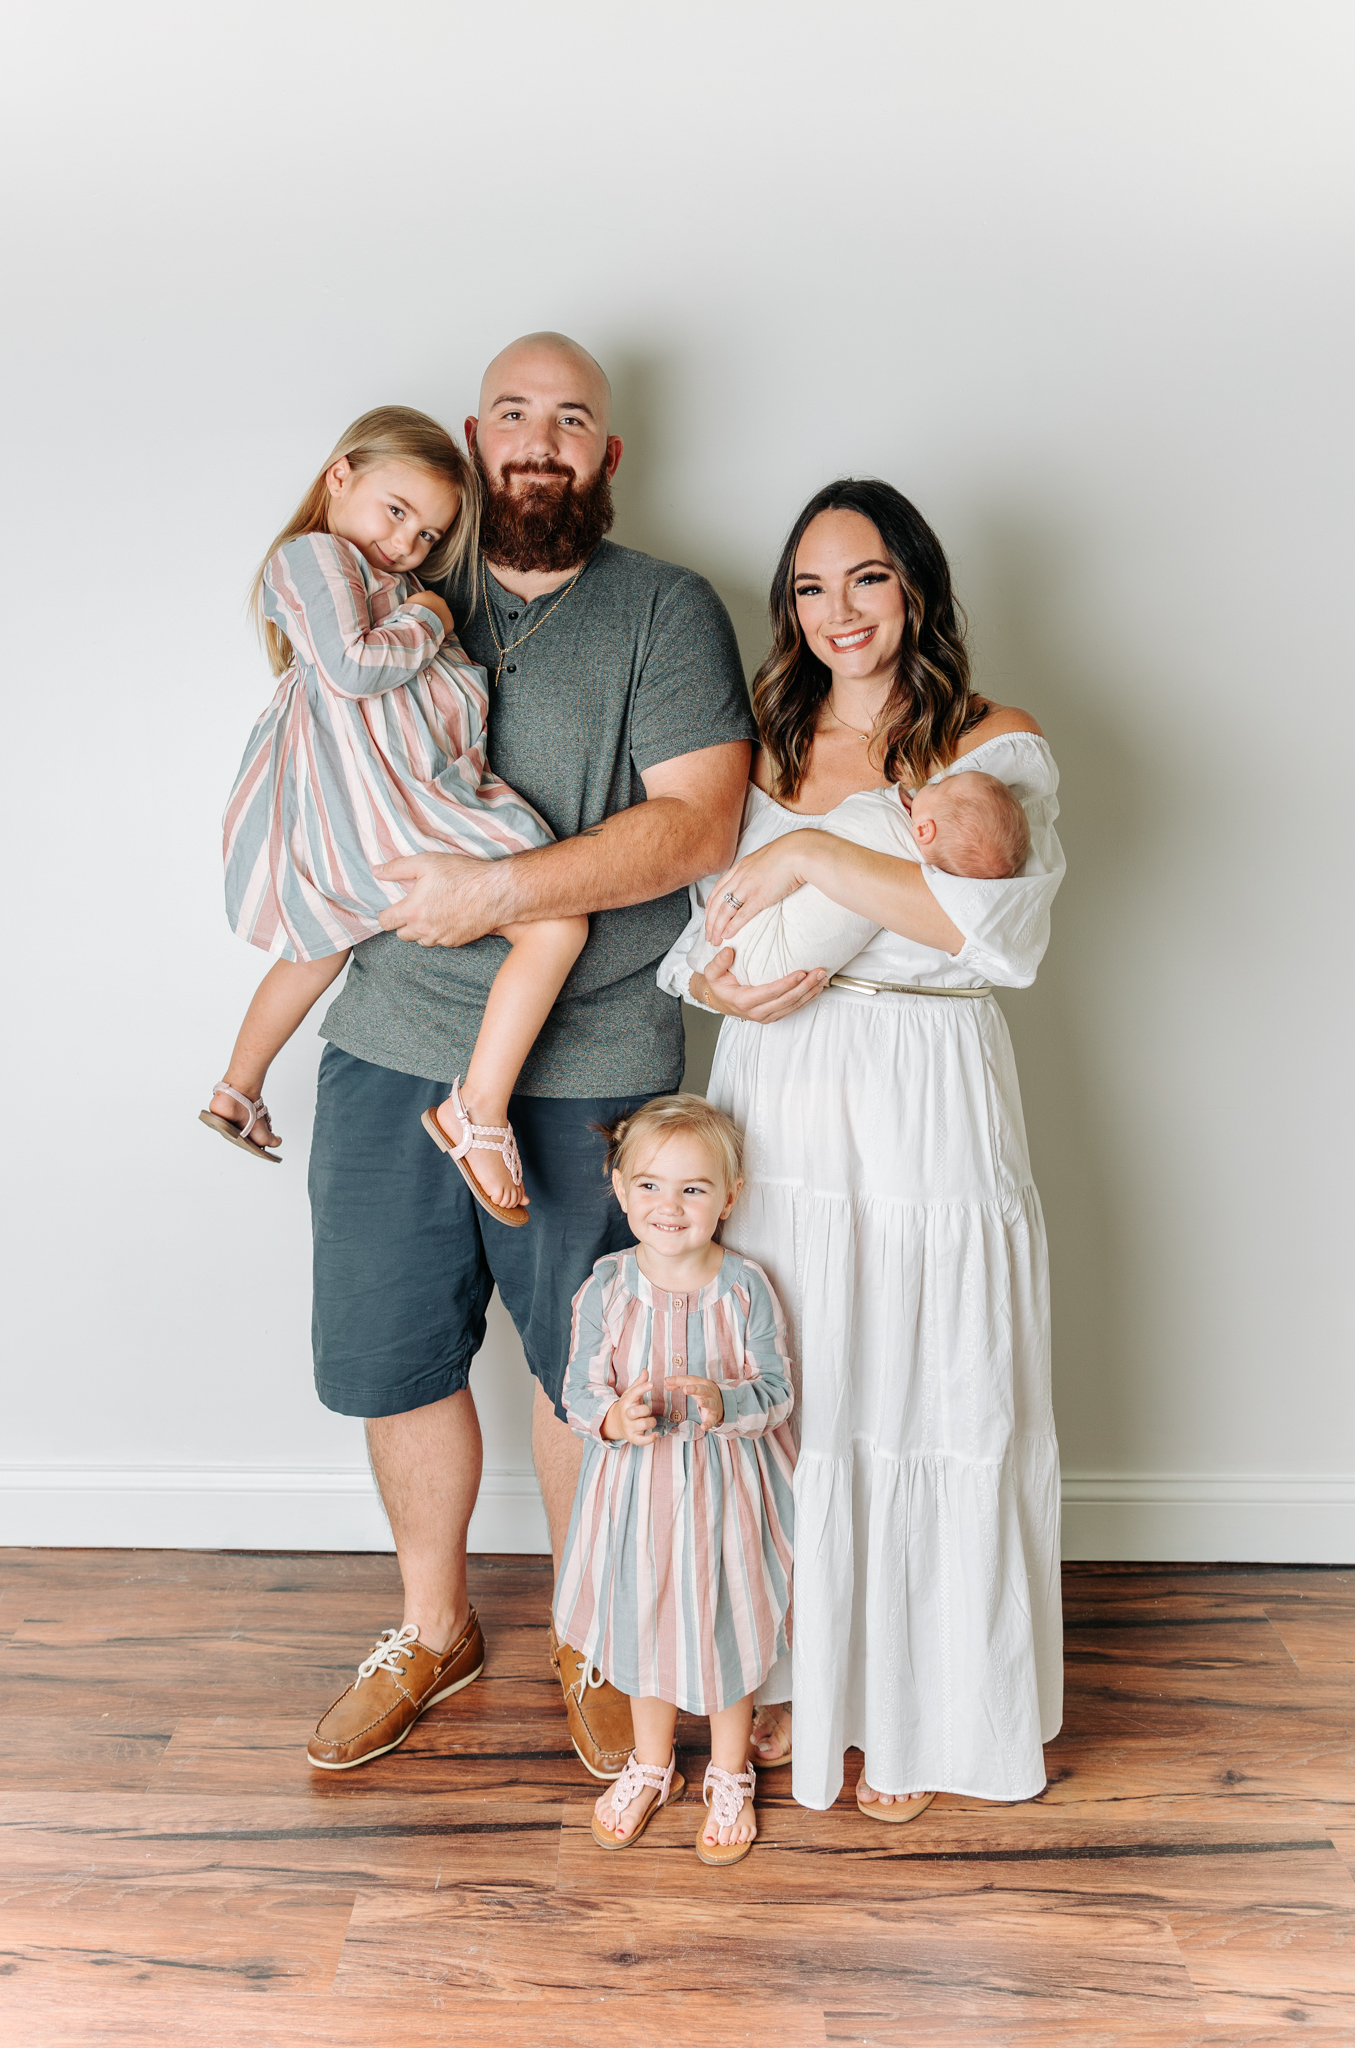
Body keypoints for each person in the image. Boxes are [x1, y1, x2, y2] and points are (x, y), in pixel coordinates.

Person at [300, 334, 758, 1776]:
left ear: (605, 453)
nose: (540, 440)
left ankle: (592, 1632)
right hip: (386, 1038)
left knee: (589, 1372)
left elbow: (697, 826)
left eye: (570, 418)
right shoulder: (393, 585)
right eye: (514, 413)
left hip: (595, 1063)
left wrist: (499, 889)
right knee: (392, 1356)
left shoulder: (665, 608)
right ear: (473, 436)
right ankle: (433, 1630)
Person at [657, 477, 1066, 1818]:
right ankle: (795, 1677)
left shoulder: (994, 740)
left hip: (927, 1081)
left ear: (917, 587)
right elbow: (702, 931)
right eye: (812, 586)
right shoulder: (767, 745)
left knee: (932, 1385)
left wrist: (819, 863)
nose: (841, 610)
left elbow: (987, 927)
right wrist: (723, 982)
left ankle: (922, 1709)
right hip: (782, 1086)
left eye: (869, 577)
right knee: (802, 1384)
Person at [201, 406, 586, 1221]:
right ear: (340, 476)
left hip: (364, 814)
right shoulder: (314, 556)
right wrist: (433, 615)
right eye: (397, 511)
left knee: (320, 945)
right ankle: (476, 1110)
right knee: (557, 920)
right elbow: (353, 667)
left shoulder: (384, 581)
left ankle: (236, 1089)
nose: (407, 543)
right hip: (394, 804)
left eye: (427, 535)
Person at [552, 1096, 796, 1865]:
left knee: (727, 1624)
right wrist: (610, 1418)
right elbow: (577, 1388)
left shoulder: (746, 1286)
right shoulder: (605, 1286)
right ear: (620, 1189)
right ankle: (651, 1765)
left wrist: (726, 1403)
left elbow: (778, 1391)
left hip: (725, 1496)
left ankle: (729, 1771)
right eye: (650, 1185)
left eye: (693, 1189)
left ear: (729, 1196)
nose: (670, 1205)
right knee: (642, 1622)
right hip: (634, 1497)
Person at [686, 768, 1030, 987]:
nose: (932, 782)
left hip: (764, 972)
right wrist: (707, 990)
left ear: (924, 830)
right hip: (745, 985)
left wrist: (802, 852)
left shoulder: (893, 833)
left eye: (941, 785)